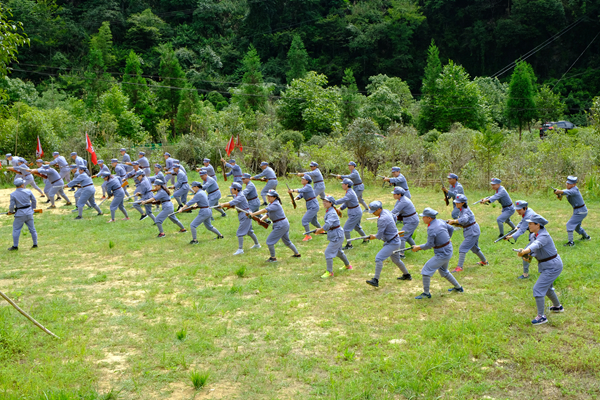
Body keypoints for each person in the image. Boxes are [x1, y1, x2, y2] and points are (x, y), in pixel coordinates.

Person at [516, 214, 564, 325]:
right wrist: (524, 253)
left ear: (538, 225)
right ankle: (557, 307)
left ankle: (541, 317)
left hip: (553, 266)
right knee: (547, 288)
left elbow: (536, 245)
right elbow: (531, 249)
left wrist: (526, 251)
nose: (528, 225)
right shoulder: (534, 235)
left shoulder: (544, 236)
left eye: (530, 224)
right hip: (546, 265)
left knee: (538, 289)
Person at [411, 207, 463, 299]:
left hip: (442, 253)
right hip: (448, 249)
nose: (422, 218)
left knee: (426, 270)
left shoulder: (432, 228)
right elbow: (451, 228)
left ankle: (426, 294)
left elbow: (429, 245)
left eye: (424, 217)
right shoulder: (440, 221)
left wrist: (418, 247)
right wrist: (447, 239)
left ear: (429, 218)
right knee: (443, 270)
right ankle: (458, 288)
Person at [365, 201, 412, 287]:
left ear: (379, 209)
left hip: (393, 243)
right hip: (395, 240)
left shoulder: (382, 219)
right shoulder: (386, 211)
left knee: (378, 258)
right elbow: (394, 217)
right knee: (396, 260)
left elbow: (379, 235)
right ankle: (407, 275)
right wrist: (392, 228)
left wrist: (373, 237)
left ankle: (375, 280)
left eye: (374, 211)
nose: (373, 213)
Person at [250, 190, 300, 262]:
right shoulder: (271, 204)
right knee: (287, 241)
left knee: (269, 241)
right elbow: (267, 214)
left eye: (270, 196)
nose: (268, 197)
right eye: (268, 196)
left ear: (275, 197)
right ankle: (297, 254)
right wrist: (261, 219)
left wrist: (253, 214)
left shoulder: (275, 204)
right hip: (282, 224)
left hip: (280, 225)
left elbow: (264, 210)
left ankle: (273, 258)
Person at [446, 194, 488, 272]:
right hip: (472, 230)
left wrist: (454, 221)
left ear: (463, 203)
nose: (456, 203)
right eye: (456, 202)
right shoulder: (462, 209)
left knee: (462, 248)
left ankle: (459, 267)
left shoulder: (465, 210)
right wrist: (453, 223)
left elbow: (464, 219)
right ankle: (484, 262)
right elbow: (463, 223)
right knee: (474, 248)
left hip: (472, 231)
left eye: (458, 202)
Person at [315, 195, 352, 278]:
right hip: (336, 234)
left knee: (328, 252)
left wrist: (319, 230)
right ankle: (348, 266)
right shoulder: (329, 210)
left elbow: (327, 225)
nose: (324, 203)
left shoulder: (332, 213)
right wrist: (319, 229)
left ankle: (329, 272)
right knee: (338, 252)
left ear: (331, 203)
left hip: (337, 236)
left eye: (326, 201)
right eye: (323, 201)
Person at [219, 182, 261, 255]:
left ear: (236, 189)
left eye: (232, 189)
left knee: (239, 233)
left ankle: (240, 250)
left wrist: (223, 205)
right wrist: (227, 206)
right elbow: (234, 204)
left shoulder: (240, 196)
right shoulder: (237, 195)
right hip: (243, 214)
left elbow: (231, 202)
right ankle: (257, 245)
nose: (231, 190)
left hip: (245, 214)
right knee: (249, 232)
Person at [553, 176, 591, 246]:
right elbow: (560, 197)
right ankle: (586, 237)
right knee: (577, 226)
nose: (567, 185)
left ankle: (571, 242)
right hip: (579, 210)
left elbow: (565, 192)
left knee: (570, 224)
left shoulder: (574, 190)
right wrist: (559, 194)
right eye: (567, 183)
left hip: (581, 211)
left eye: (569, 184)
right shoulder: (569, 189)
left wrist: (559, 191)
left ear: (574, 184)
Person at [504, 200, 536, 279]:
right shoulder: (527, 211)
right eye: (517, 209)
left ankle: (525, 274)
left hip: (537, 237)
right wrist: (517, 227)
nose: (518, 211)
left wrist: (511, 236)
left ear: (525, 208)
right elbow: (522, 221)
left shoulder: (528, 215)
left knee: (525, 254)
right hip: (535, 235)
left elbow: (522, 230)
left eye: (519, 209)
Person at [334, 178, 367, 250]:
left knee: (346, 229)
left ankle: (349, 245)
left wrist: (334, 202)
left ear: (347, 185)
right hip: (356, 212)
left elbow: (344, 199)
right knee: (357, 227)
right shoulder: (349, 192)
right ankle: (366, 238)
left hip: (355, 213)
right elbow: (347, 202)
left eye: (343, 184)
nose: (342, 185)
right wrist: (340, 208)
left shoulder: (350, 193)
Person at [7, 178, 38, 251]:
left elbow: (12, 205)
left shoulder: (13, 194)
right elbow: (34, 200)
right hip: (29, 212)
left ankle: (15, 246)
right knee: (32, 229)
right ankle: (35, 244)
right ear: (22, 185)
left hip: (20, 214)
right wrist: (32, 209)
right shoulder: (28, 191)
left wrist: (11, 211)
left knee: (16, 229)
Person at [289, 174, 321, 242]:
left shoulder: (308, 186)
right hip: (311, 205)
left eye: (303, 179)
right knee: (314, 222)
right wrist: (295, 199)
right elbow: (301, 194)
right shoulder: (305, 187)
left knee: (304, 220)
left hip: (313, 206)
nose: (302, 180)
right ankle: (321, 230)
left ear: (307, 181)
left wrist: (293, 190)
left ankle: (308, 236)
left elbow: (300, 190)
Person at [390, 187, 418, 257]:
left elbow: (395, 211)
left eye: (395, 194)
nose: (393, 195)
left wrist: (386, 215)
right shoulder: (400, 200)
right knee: (407, 237)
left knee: (402, 236)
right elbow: (396, 212)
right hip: (409, 220)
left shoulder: (403, 201)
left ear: (399, 194)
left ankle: (401, 254)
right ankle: (416, 248)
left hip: (411, 221)